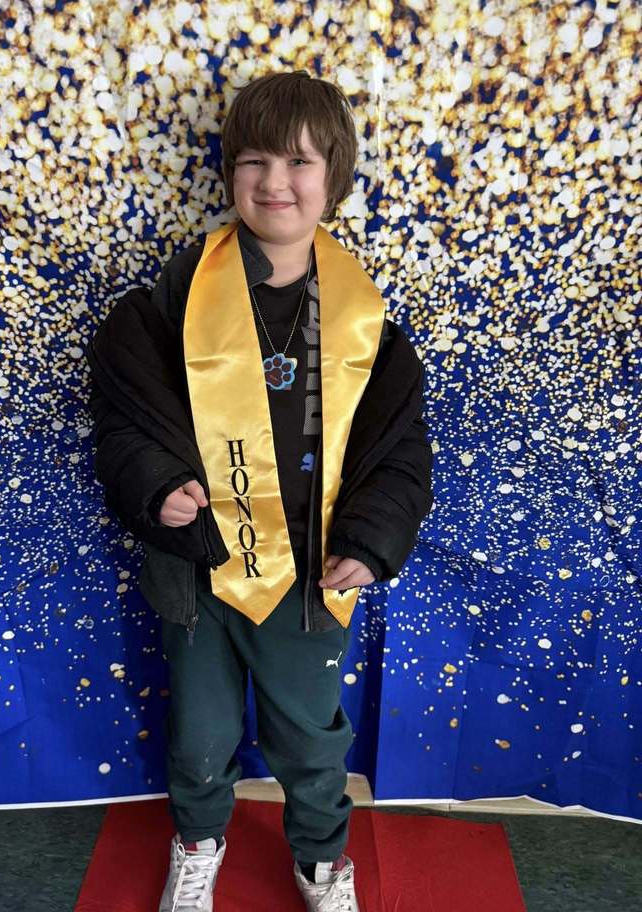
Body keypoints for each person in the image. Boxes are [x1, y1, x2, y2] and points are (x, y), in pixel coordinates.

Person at [87, 70, 434, 911]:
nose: (274, 183)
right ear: (229, 173)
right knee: (200, 735)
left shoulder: (366, 322)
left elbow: (398, 452)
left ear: (335, 178)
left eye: (299, 162)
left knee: (311, 740)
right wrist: (157, 486)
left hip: (308, 581)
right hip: (198, 574)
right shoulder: (175, 297)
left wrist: (371, 537)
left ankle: (320, 860)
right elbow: (124, 415)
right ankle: (200, 843)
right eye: (253, 161)